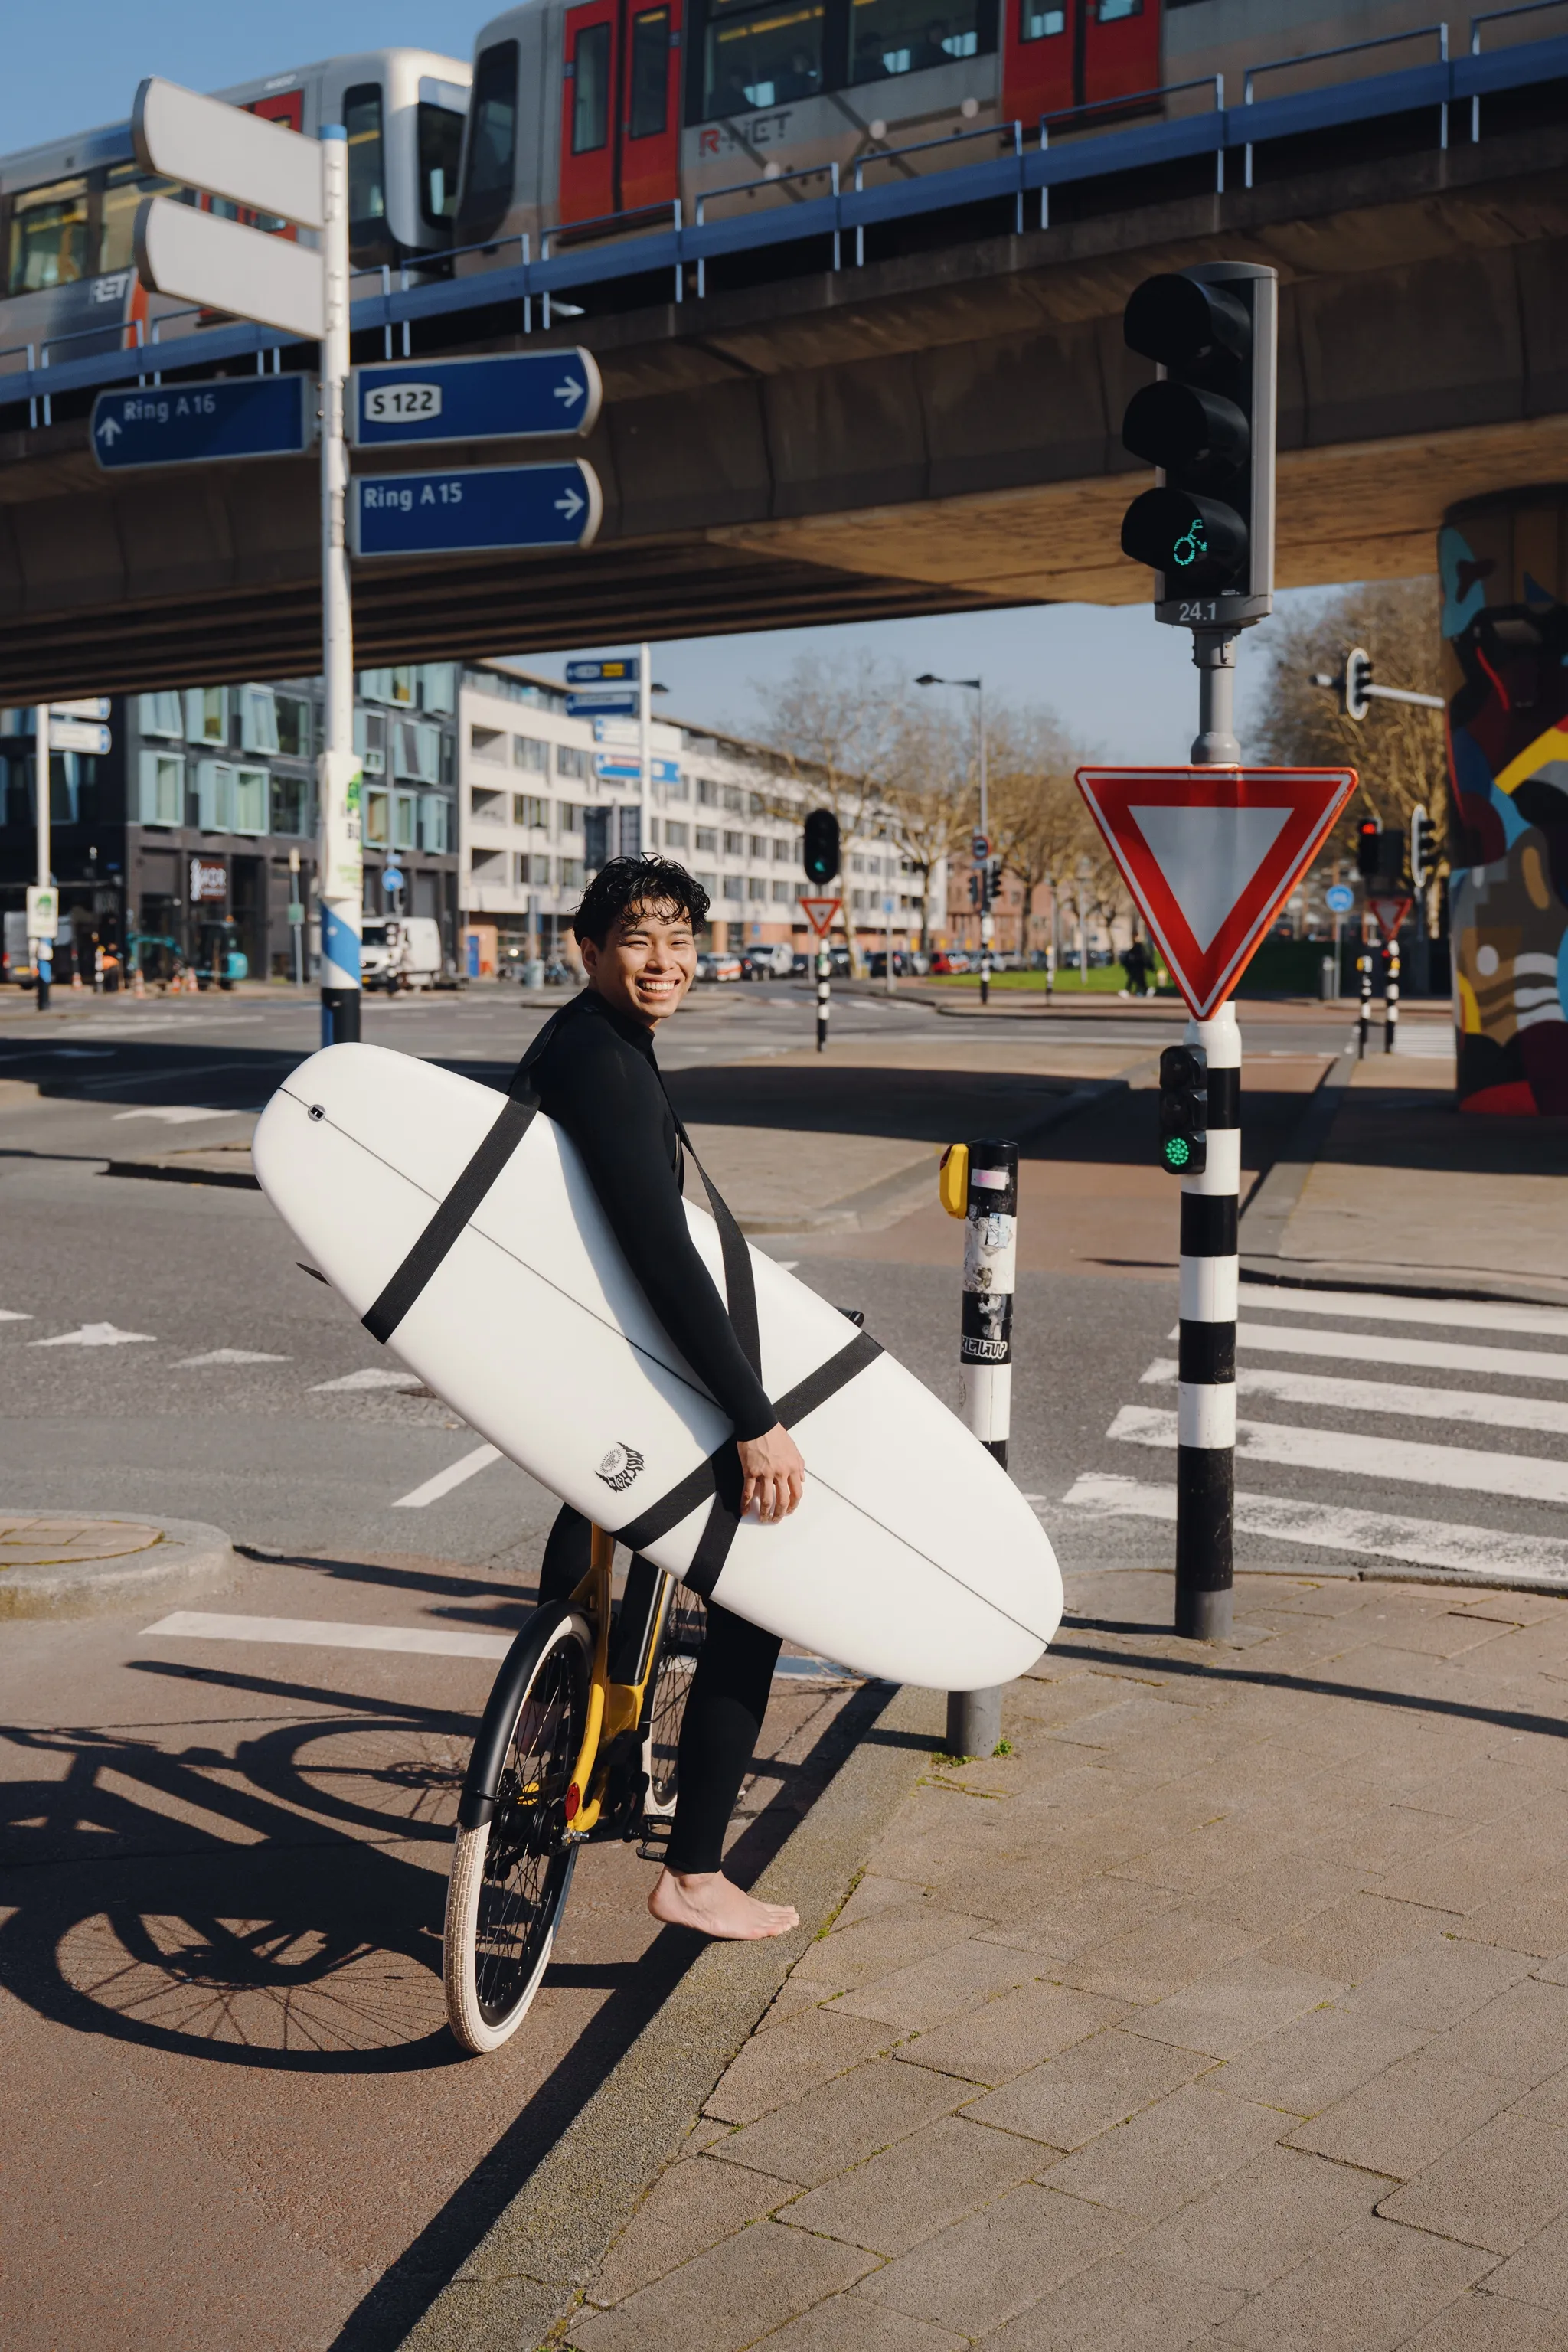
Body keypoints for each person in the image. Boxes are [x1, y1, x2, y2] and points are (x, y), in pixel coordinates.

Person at [523, 858, 806, 1942]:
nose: (664, 962)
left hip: (576, 1358)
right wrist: (755, 1419)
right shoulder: (603, 1062)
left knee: (600, 1521)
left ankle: (564, 1740)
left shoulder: (589, 1043)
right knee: (755, 1580)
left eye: (680, 938)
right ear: (587, 950)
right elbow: (655, 1252)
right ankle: (693, 1874)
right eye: (638, 939)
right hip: (610, 1364)